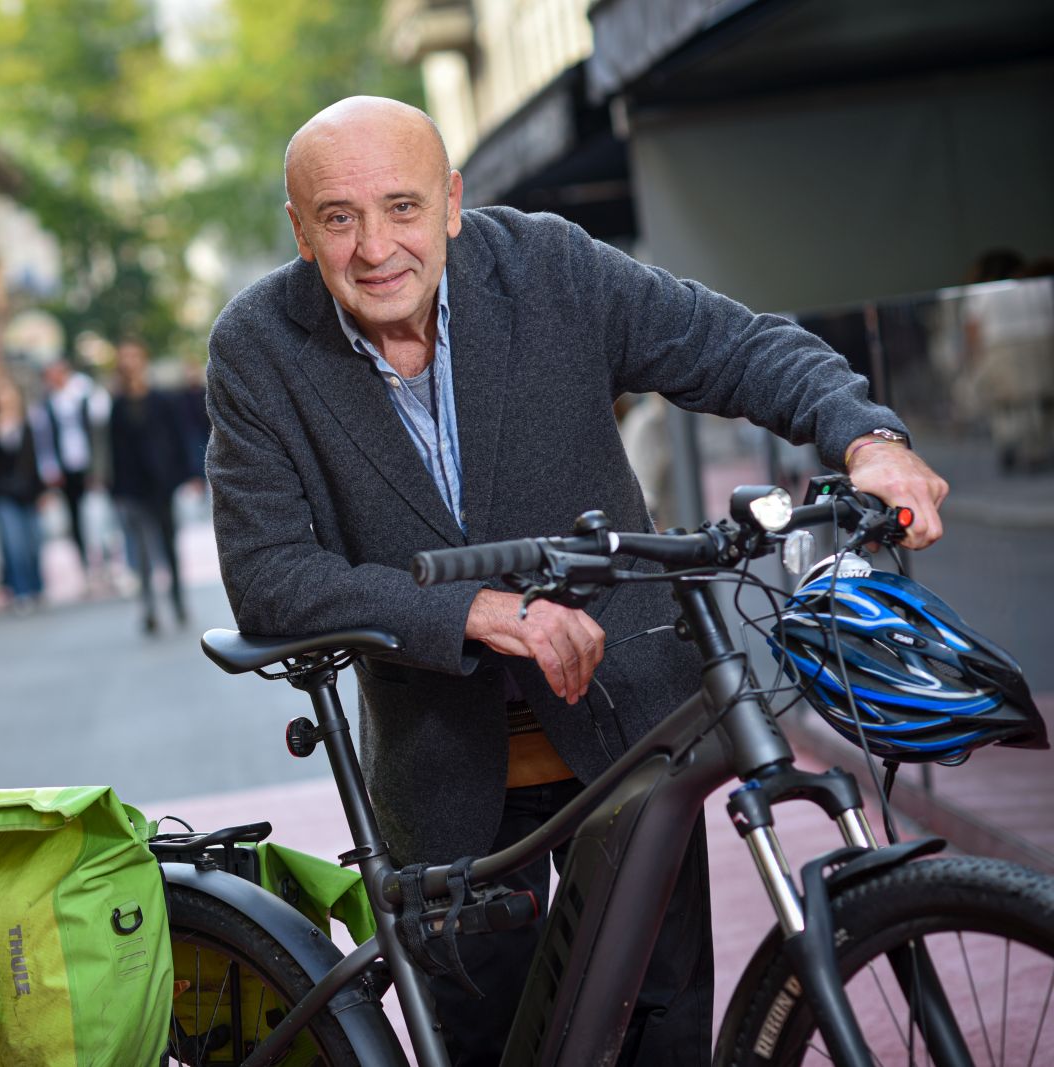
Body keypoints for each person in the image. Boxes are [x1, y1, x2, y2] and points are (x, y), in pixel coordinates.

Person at [204, 96, 950, 1065]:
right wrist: (468, 610)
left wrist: (868, 437)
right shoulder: (257, 346)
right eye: (339, 218)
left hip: (628, 726)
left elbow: (733, 346)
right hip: (446, 768)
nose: (376, 246)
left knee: (661, 1019)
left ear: (452, 205)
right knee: (490, 1041)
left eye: (401, 206)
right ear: (301, 230)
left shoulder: (549, 267)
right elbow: (268, 573)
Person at [108, 339, 193, 634]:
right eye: (124, 357)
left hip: (163, 485)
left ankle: (178, 602)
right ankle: (149, 609)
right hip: (133, 489)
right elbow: (114, 450)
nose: (129, 362)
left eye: (134, 356)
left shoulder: (162, 399)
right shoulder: (117, 405)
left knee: (169, 548)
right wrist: (115, 489)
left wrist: (187, 474)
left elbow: (178, 437)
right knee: (141, 551)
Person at [0, 379, 46, 609]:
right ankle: (20, 590)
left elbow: (38, 460)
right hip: (3, 493)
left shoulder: (29, 424)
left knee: (33, 543)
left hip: (30, 492)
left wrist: (44, 490)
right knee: (13, 544)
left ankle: (37, 587)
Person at [36, 359, 109, 574]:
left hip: (89, 465)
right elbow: (45, 440)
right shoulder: (47, 404)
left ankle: (104, 558)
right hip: (66, 467)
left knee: (97, 514)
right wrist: (50, 469)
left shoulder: (84, 395)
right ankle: (85, 563)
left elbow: (99, 428)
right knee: (74, 516)